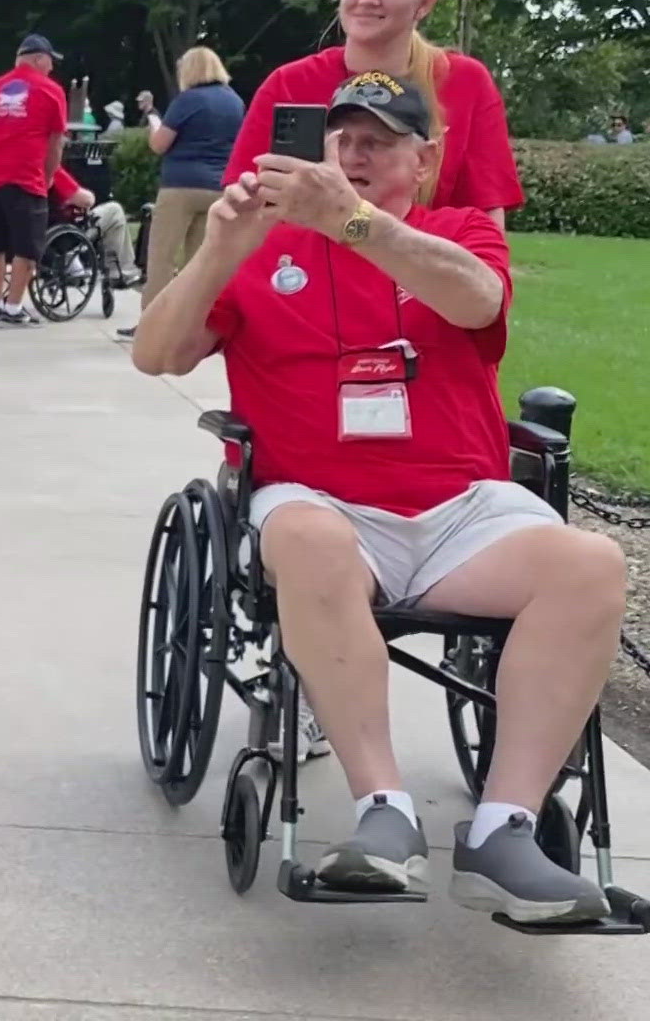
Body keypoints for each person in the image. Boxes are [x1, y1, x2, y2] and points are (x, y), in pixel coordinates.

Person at [131, 73, 623, 924]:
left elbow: (477, 299)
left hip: (459, 507)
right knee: (313, 539)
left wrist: (351, 223)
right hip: (320, 503)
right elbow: (157, 355)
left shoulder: (456, 229)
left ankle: (506, 827)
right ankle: (382, 813)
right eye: (343, 139)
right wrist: (219, 246)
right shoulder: (262, 247)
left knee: (590, 564)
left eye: (380, 142)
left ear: (424, 159)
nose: (355, 155)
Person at [224, 0, 521, 228]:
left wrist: (488, 275)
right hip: (306, 272)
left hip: (417, 271)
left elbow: (486, 214)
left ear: (425, 2)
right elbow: (243, 202)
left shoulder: (465, 82)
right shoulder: (290, 84)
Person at [124, 45, 246, 338]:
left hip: (180, 186)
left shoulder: (187, 100)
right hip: (218, 187)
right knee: (199, 262)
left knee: (162, 258)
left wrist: (153, 120)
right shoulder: (235, 101)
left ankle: (152, 326)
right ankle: (192, 324)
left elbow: (159, 144)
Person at [0, 33, 68, 328]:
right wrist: (50, 175)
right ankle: (14, 308)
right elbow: (55, 143)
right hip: (26, 176)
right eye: (50, 61)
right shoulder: (51, 91)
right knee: (28, 247)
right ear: (38, 58)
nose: (52, 68)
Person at [50, 167, 142, 288]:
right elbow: (87, 200)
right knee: (115, 210)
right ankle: (123, 270)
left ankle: (112, 270)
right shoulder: (51, 169)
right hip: (66, 233)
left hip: (41, 230)